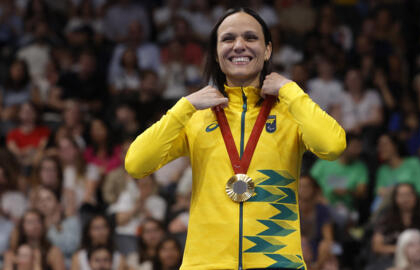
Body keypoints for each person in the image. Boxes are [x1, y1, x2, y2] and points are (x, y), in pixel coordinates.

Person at [125, 7, 346, 270]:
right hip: (205, 264)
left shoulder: (290, 112)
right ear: (216, 54)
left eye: (251, 38)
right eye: (228, 39)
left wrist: (290, 90)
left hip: (277, 262)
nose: (239, 45)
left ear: (267, 51)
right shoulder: (196, 116)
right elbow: (136, 164)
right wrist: (183, 106)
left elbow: (332, 146)